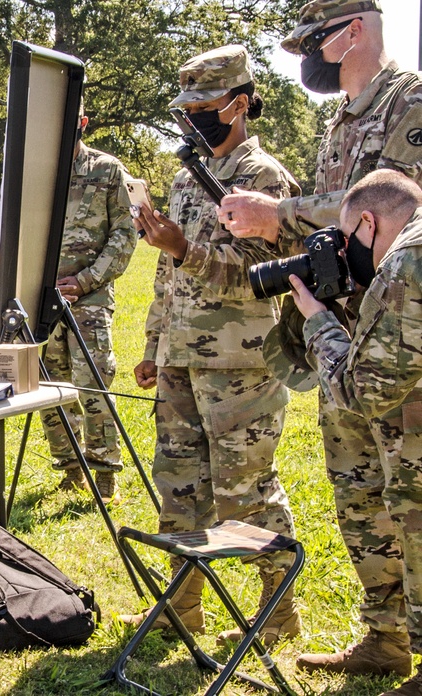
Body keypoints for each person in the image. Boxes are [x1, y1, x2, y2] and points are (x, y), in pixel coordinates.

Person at [217, 0, 422, 674]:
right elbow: (335, 227)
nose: (306, 56)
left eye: (312, 40)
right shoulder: (339, 124)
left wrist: (280, 211)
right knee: (359, 492)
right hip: (340, 331)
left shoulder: (410, 101)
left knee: (412, 499)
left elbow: (396, 203)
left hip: (399, 340)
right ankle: (386, 639)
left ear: (353, 30)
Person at [117, 45, 302, 649]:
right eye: (185, 109)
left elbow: (263, 270)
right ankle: (182, 609)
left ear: (239, 104)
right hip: (181, 359)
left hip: (241, 362)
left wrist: (180, 247)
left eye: (202, 106)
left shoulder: (264, 178)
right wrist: (154, 343)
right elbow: (168, 277)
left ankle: (277, 615)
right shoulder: (183, 175)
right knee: (179, 486)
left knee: (244, 492)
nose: (190, 119)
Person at [291, 169, 422, 695]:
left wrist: (318, 320)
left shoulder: (407, 261)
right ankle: (389, 646)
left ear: (368, 222)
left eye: (348, 243)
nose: (348, 258)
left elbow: (365, 392)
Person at [36, 113, 136, 497]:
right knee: (48, 385)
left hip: (89, 299)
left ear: (83, 121)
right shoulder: (36, 173)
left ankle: (104, 469)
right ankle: (69, 466)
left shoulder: (107, 170)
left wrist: (85, 280)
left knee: (93, 383)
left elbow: (125, 235)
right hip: (42, 300)